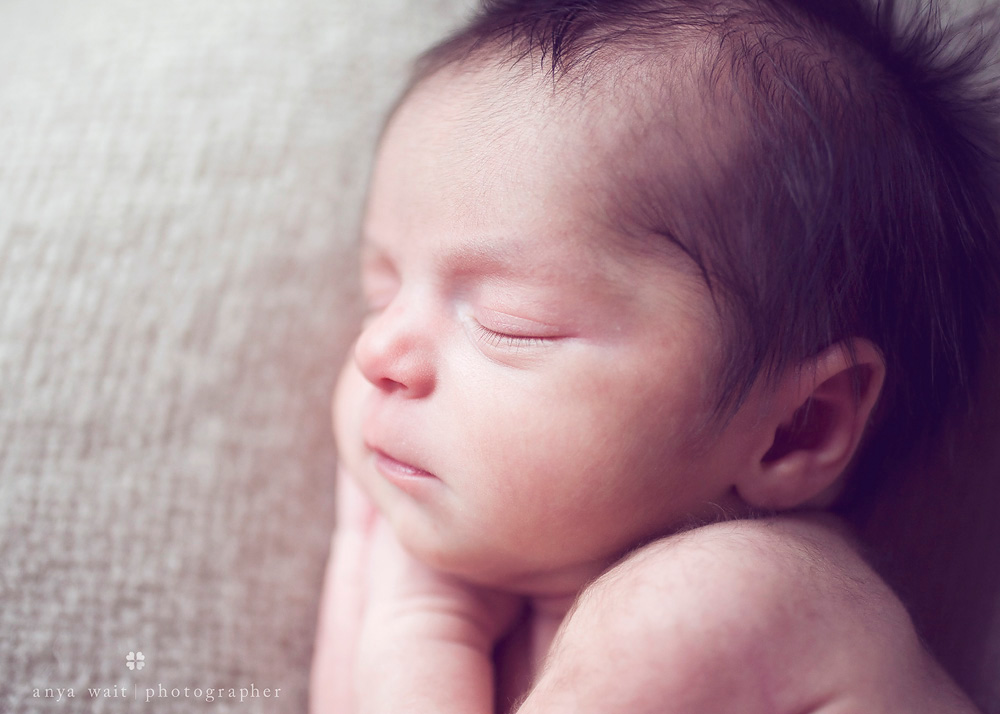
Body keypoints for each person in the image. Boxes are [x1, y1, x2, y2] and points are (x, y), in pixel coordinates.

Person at [310, 0, 1000, 711]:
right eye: (379, 293)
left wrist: (415, 620)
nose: (375, 352)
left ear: (796, 428)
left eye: (513, 323)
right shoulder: (517, 594)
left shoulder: (730, 594)